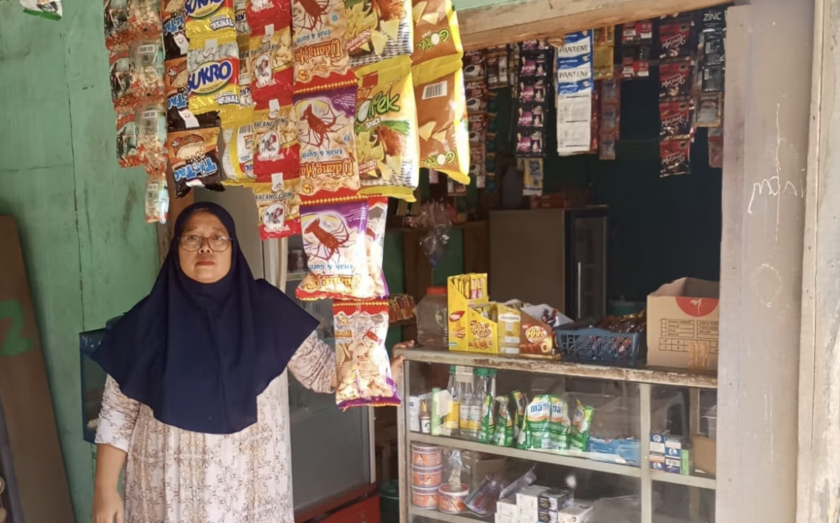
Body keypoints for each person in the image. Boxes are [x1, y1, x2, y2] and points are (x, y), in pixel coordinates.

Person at [91, 202, 411, 523]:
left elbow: (320, 370)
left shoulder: (267, 310)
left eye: (218, 237)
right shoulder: (145, 323)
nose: (205, 247)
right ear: (176, 248)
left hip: (251, 490)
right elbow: (118, 413)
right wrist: (105, 490)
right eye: (192, 238)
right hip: (168, 494)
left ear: (233, 248)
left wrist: (376, 370)